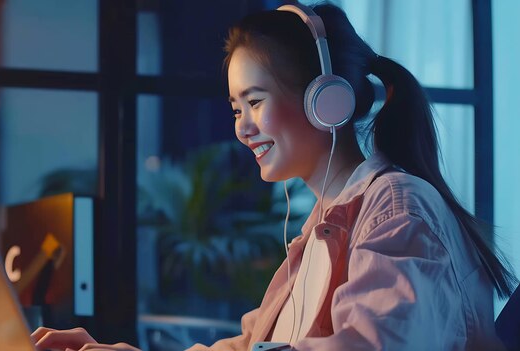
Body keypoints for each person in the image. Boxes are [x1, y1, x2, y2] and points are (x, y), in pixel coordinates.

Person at [31, 3, 517, 350]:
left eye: (256, 102)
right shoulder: (322, 231)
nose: (241, 128)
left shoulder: (397, 207)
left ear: (327, 100)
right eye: (235, 107)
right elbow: (249, 347)